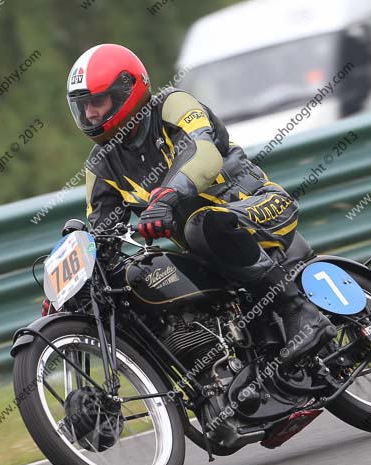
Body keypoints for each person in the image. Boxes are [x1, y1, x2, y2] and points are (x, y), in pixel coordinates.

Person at [62, 43, 335, 365]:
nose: (90, 113)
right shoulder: (102, 164)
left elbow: (204, 154)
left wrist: (167, 195)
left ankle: (297, 310)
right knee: (137, 277)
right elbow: (104, 228)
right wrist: (77, 279)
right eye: (83, 105)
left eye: (97, 101)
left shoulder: (171, 105)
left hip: (258, 207)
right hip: (204, 248)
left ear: (126, 91)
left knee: (202, 223)